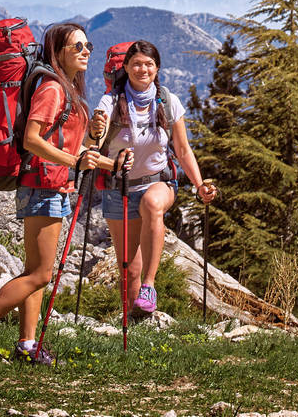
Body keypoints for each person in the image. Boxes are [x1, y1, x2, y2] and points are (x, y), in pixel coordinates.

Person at [0, 23, 101, 365]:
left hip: (51, 184)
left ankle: (28, 346)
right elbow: (33, 140)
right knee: (40, 274)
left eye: (87, 44)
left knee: (35, 271)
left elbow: (75, 149)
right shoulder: (51, 87)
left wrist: (94, 138)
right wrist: (76, 159)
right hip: (43, 185)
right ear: (57, 51)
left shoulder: (66, 88)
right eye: (77, 47)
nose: (86, 51)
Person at [87, 39, 216, 316]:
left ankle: (150, 285)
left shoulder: (169, 102)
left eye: (148, 64)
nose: (142, 69)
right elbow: (92, 147)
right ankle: (134, 324)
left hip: (159, 182)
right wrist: (95, 130)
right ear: (125, 67)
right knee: (129, 268)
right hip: (118, 189)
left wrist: (199, 184)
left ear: (157, 68)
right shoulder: (110, 102)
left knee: (151, 204)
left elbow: (182, 149)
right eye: (136, 64)